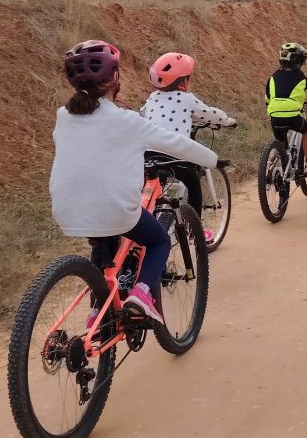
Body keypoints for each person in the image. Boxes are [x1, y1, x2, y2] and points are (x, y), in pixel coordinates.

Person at [50, 40, 221, 326]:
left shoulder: (63, 116)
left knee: (104, 247)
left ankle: (97, 314)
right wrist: (213, 160)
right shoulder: (127, 120)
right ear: (114, 78)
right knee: (158, 241)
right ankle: (142, 296)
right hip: (115, 211)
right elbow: (178, 144)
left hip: (67, 210)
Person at [141, 52, 235, 240]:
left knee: (148, 190)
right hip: (174, 153)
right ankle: (195, 232)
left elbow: (143, 113)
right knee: (192, 183)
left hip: (148, 154)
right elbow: (210, 114)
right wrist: (229, 121)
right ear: (182, 82)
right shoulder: (186, 99)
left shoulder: (152, 98)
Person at [265, 42, 307, 177]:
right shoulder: (301, 77)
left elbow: (268, 99)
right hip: (293, 115)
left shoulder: (273, 77)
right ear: (299, 61)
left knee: (280, 143)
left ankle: (269, 165)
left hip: (275, 115)